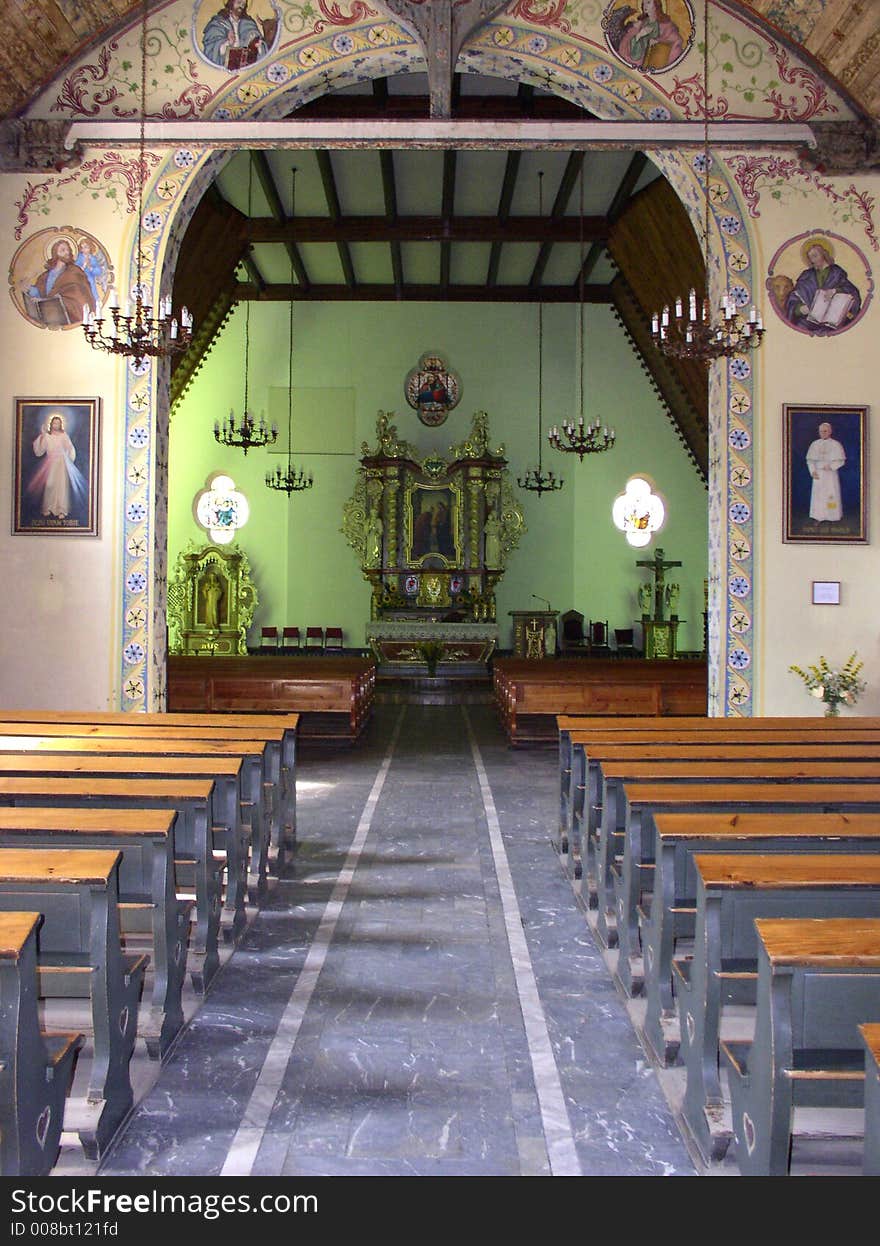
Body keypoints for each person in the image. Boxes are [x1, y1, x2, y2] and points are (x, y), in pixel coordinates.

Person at [785, 240, 861, 335]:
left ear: (823, 254)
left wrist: (835, 290)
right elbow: (793, 297)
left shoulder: (837, 273)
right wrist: (799, 309)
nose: (813, 260)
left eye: (815, 256)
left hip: (833, 321)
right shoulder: (806, 275)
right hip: (809, 321)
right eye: (810, 258)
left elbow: (852, 290)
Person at [27, 237, 95, 326]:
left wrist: (48, 300)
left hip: (68, 315)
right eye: (62, 250)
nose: (67, 253)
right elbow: (39, 292)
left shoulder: (75, 271)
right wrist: (28, 288)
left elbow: (80, 295)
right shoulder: (45, 276)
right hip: (47, 316)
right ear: (55, 253)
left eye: (68, 250)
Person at [29, 414, 81, 519]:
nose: (55, 425)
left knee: (61, 486)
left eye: (57, 423)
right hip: (50, 463)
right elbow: (40, 450)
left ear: (60, 424)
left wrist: (69, 458)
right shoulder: (48, 436)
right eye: (54, 423)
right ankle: (48, 507)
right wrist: (43, 436)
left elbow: (70, 448)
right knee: (50, 484)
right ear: (51, 424)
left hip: (61, 463)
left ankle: (61, 510)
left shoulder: (64, 436)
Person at [616, 0, 685, 72]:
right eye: (644, 3)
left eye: (648, 2)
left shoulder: (667, 25)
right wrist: (639, 35)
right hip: (637, 63)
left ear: (656, 5)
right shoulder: (639, 24)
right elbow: (625, 44)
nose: (645, 5)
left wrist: (658, 41)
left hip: (656, 62)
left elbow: (677, 41)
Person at [202, 0, 268, 69]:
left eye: (243, 4)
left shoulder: (249, 23)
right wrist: (227, 42)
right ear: (231, 3)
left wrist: (258, 44)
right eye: (239, 2)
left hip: (246, 63)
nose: (241, 6)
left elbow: (260, 42)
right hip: (225, 63)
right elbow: (212, 44)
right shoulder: (219, 21)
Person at [806, 421, 845, 524]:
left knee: (831, 495)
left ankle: (832, 517)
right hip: (818, 474)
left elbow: (841, 460)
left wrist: (831, 466)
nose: (823, 433)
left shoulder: (836, 444)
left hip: (830, 474)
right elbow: (810, 460)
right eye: (821, 431)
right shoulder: (814, 444)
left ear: (830, 431)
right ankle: (818, 517)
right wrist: (813, 471)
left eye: (825, 431)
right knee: (818, 495)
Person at [74, 239, 109, 309]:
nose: (84, 249)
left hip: (90, 277)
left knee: (92, 287)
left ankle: (96, 302)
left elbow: (98, 271)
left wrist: (90, 267)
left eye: (86, 247)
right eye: (82, 247)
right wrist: (84, 265)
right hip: (81, 277)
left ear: (90, 248)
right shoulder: (80, 257)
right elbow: (75, 268)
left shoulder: (92, 258)